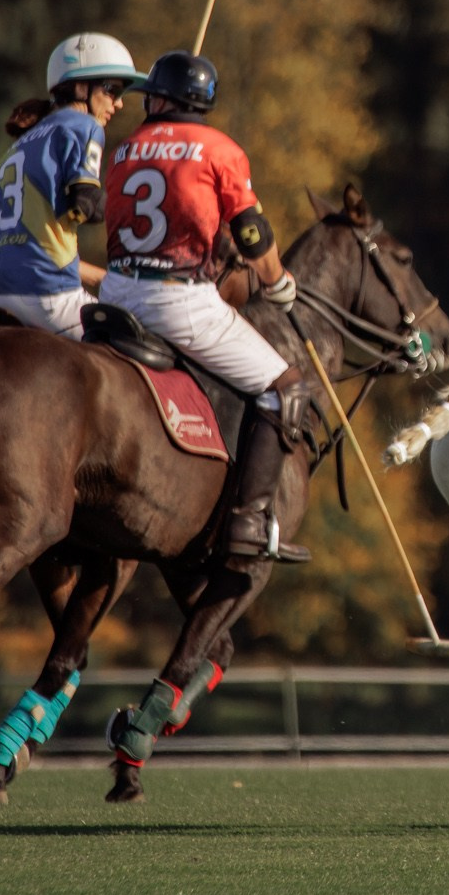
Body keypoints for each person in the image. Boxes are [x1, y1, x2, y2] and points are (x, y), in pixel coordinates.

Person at [99, 50, 319, 568]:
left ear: (158, 98)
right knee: (285, 387)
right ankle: (248, 518)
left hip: (114, 293)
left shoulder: (124, 148)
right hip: (179, 300)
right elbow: (249, 231)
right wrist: (277, 279)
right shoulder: (220, 148)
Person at [0, 33, 144, 335]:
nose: (119, 103)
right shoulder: (84, 125)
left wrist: (102, 278)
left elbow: (31, 248)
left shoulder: (13, 151)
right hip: (49, 297)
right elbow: (86, 204)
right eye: (112, 90)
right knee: (138, 353)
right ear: (81, 87)